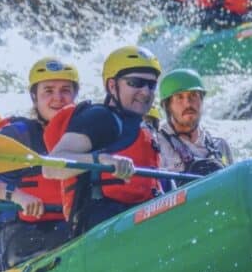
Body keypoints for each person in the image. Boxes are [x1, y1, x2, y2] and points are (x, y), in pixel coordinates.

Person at [0, 58, 78, 272]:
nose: (58, 98)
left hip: (71, 231)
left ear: (75, 95)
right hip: (22, 237)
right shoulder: (18, 134)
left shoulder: (85, 135)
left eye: (65, 90)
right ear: (34, 97)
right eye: (48, 91)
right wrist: (15, 195)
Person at [43, 46, 164, 235]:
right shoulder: (100, 118)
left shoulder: (145, 128)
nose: (146, 92)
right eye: (136, 82)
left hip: (140, 221)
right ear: (112, 86)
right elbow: (50, 167)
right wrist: (101, 160)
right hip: (102, 229)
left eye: (151, 85)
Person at [156, 68, 233, 184]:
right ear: (167, 106)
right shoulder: (157, 146)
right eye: (179, 97)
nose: (188, 103)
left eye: (194, 95)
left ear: (201, 100)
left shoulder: (220, 145)